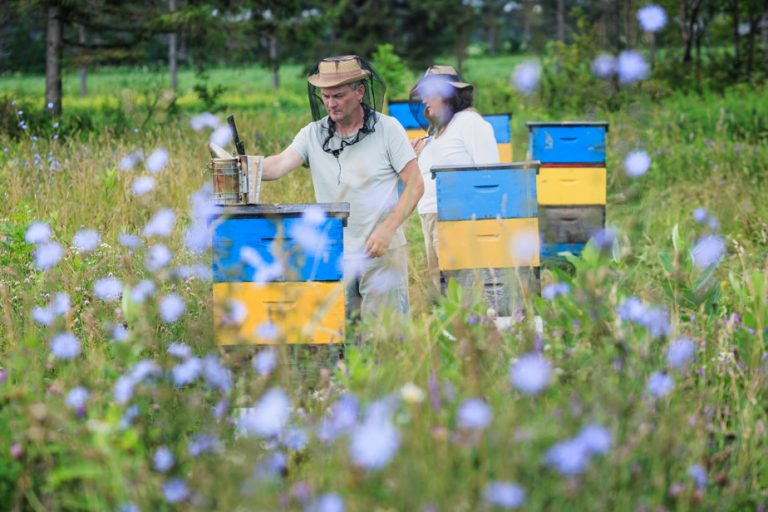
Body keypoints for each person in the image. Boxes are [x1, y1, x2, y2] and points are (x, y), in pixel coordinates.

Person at [259, 55, 423, 321]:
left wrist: (387, 230)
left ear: (360, 92)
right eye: (325, 96)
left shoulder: (388, 129)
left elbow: (415, 184)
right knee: (343, 340)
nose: (330, 103)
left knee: (384, 338)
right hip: (334, 254)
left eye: (338, 96)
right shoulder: (312, 133)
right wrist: (241, 166)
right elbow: (278, 165)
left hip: (380, 251)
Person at [409, 65, 500, 295]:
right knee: (442, 292)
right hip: (430, 216)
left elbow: (490, 173)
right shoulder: (436, 130)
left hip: (456, 217)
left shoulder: (469, 123)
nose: (424, 100)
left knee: (460, 289)